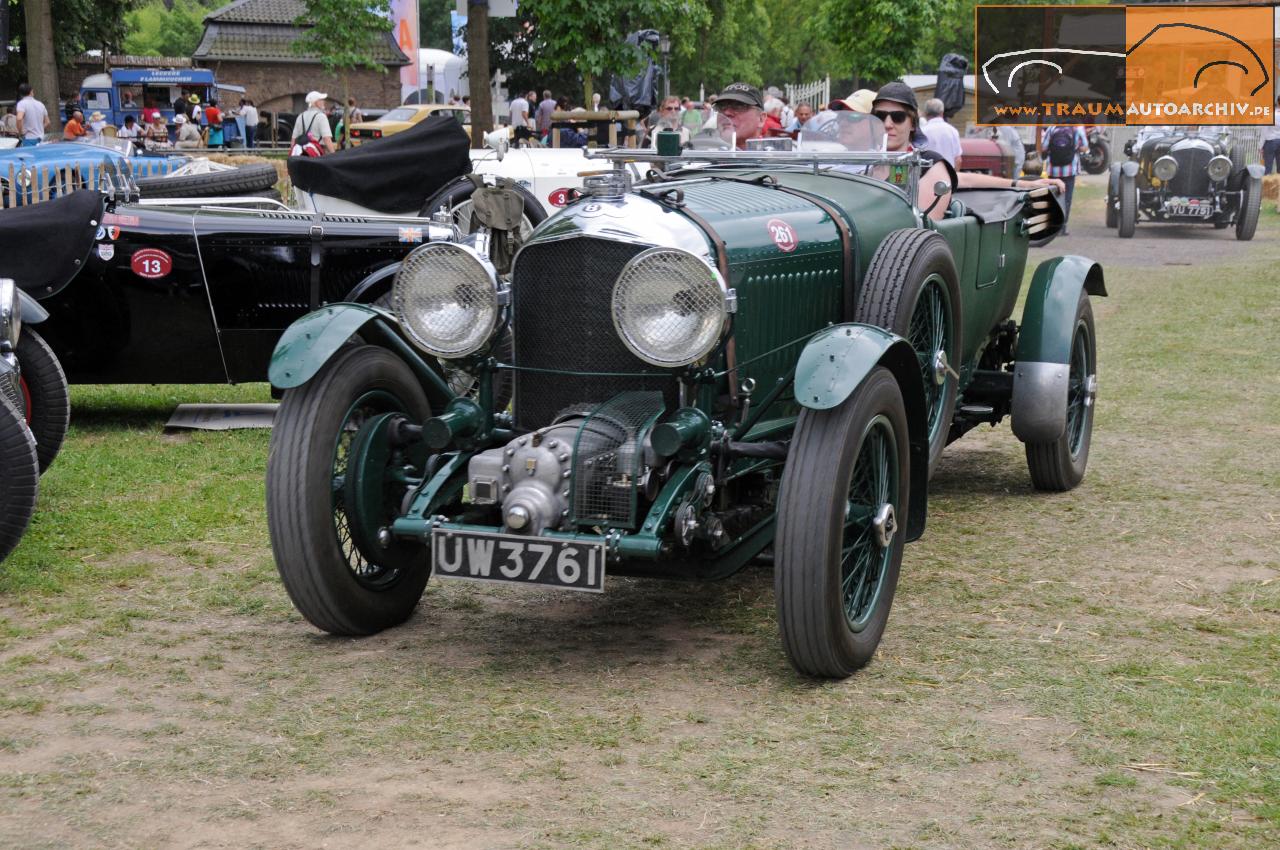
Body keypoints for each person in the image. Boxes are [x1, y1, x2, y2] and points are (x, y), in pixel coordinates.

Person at [872, 82, 1062, 221]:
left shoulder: (927, 165)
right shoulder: (864, 162)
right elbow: (961, 178)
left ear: (913, 123)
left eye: (897, 117)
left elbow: (919, 231)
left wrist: (1022, 184)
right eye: (880, 116)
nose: (887, 124)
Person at [1039, 123, 1087, 234]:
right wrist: (1075, 148)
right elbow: (1085, 148)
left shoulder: (1052, 127)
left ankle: (1050, 224)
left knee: (1052, 196)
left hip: (1053, 169)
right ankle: (1061, 227)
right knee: (1066, 198)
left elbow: (1044, 147)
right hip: (1070, 170)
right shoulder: (1078, 127)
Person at [713, 82, 766, 148]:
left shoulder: (773, 156)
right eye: (721, 107)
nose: (727, 112)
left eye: (739, 106)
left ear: (761, 119)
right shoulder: (703, 153)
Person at [919, 97, 961, 167]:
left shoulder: (922, 132)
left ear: (926, 113)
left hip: (927, 175)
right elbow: (958, 160)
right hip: (947, 174)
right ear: (942, 112)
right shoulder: (952, 131)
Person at [1263, 95, 1280, 175]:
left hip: (1270, 141)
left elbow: (1264, 131)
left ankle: (1267, 186)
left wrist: (1260, 146)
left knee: (1268, 167)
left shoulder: (1271, 115)